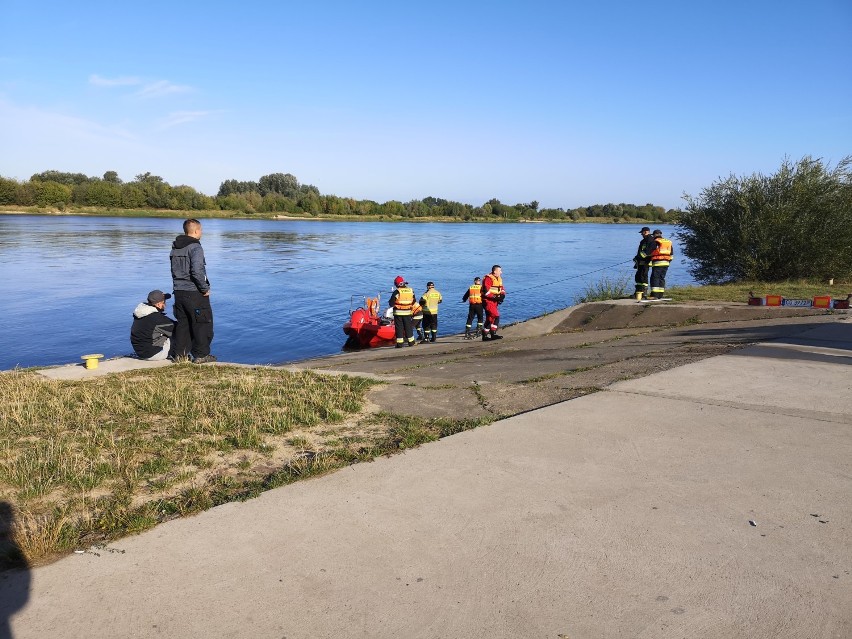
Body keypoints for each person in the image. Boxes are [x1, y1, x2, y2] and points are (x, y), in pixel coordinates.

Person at [170, 218, 216, 363]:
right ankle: (201, 355)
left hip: (178, 291)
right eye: (201, 230)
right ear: (196, 231)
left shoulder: (175, 247)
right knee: (202, 324)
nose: (201, 232)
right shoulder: (195, 247)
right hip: (194, 292)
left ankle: (180, 355)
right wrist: (205, 288)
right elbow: (197, 271)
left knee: (183, 324)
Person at [130, 290, 176, 360]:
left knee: (162, 332)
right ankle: (182, 356)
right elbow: (177, 328)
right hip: (152, 354)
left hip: (139, 352)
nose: (165, 305)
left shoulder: (141, 313)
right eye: (164, 302)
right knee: (181, 333)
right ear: (158, 304)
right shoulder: (157, 318)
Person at [388, 275, 417, 347]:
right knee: (408, 327)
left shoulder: (397, 292)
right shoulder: (411, 290)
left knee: (399, 327)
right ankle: (411, 342)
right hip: (407, 312)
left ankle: (400, 344)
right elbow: (414, 301)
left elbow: (391, 303)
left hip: (398, 312)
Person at [481, 265, 505, 341]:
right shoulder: (488, 278)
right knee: (496, 316)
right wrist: (496, 297)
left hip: (494, 301)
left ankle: (484, 335)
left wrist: (502, 296)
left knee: (490, 318)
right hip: (488, 301)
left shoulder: (499, 278)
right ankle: (493, 333)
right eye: (500, 271)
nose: (501, 272)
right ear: (495, 271)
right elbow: (486, 292)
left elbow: (502, 288)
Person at [649, 229, 674, 299]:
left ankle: (655, 295)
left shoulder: (655, 241)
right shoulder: (668, 242)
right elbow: (671, 254)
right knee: (661, 278)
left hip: (657, 262)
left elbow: (650, 251)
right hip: (666, 263)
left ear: (655, 235)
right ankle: (660, 295)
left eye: (653, 235)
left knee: (655, 278)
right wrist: (668, 261)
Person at [633, 226, 656, 301]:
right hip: (640, 261)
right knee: (638, 276)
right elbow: (639, 251)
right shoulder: (642, 241)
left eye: (642, 233)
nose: (641, 234)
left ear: (646, 232)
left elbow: (648, 251)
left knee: (643, 275)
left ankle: (644, 293)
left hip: (646, 261)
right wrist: (636, 257)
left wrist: (640, 256)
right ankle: (638, 292)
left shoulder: (651, 240)